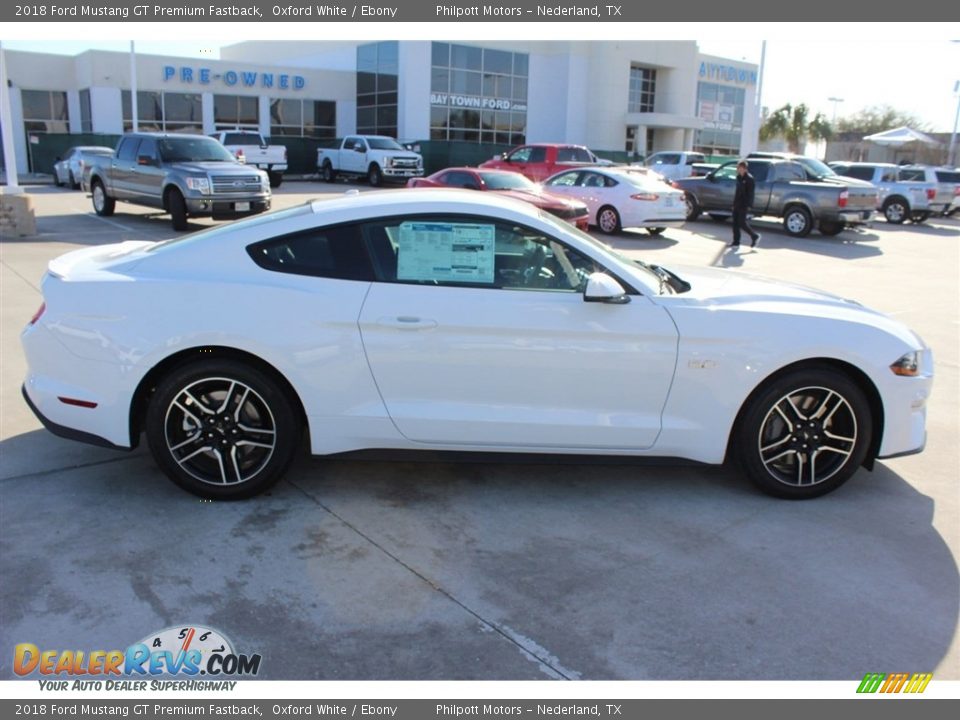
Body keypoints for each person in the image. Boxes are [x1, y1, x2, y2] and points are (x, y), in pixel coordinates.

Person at [732, 161, 761, 249]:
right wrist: (734, 204)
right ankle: (736, 242)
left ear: (745, 169)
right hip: (737, 203)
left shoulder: (749, 179)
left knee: (742, 222)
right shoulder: (738, 177)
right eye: (738, 168)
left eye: (741, 168)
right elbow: (737, 192)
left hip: (744, 204)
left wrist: (749, 204)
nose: (739, 170)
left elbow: (751, 193)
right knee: (735, 223)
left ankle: (754, 236)